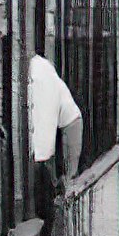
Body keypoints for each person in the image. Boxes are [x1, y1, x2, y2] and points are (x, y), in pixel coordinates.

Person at [27, 51, 84, 216]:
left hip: (30, 175)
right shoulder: (44, 68)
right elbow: (73, 120)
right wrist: (69, 176)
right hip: (41, 173)